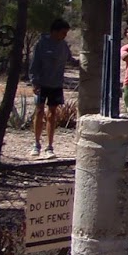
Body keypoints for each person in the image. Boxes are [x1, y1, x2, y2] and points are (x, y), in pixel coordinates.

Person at [28, 18, 72, 156]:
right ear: (55, 31)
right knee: (39, 111)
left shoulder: (64, 45)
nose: (65, 35)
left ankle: (50, 146)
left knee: (52, 114)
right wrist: (34, 81)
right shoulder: (41, 44)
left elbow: (70, 59)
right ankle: (36, 144)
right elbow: (34, 64)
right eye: (63, 32)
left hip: (56, 84)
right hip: (42, 84)